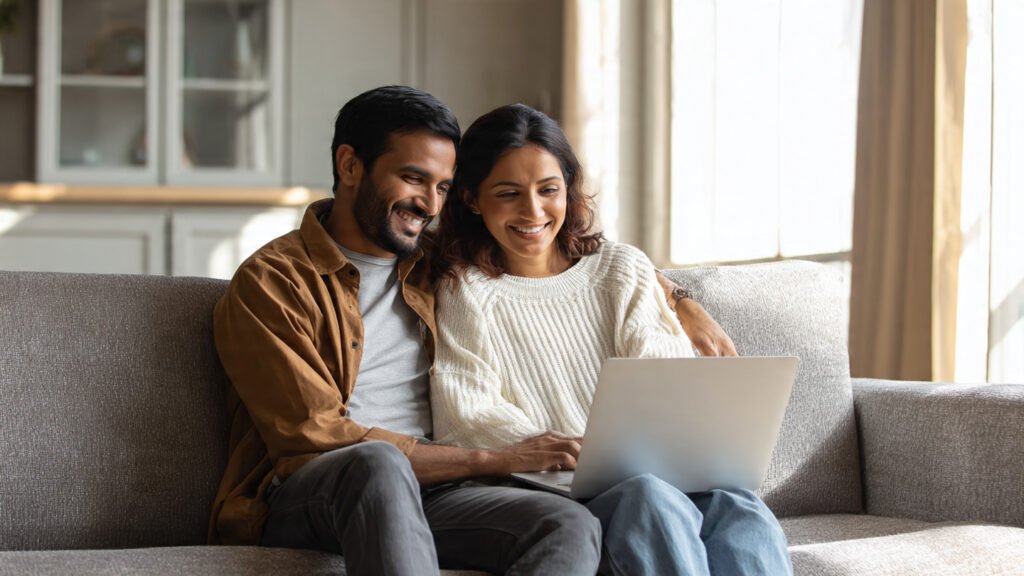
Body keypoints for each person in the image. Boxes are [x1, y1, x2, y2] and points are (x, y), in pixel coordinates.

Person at [210, 86, 735, 576]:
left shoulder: (434, 260)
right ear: (349, 165)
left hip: (443, 489)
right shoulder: (272, 282)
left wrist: (682, 299)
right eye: (413, 179)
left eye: (442, 187)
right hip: (314, 492)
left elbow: (583, 261)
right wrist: (493, 459)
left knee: (569, 523)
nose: (430, 204)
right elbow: (313, 438)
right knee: (378, 463)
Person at [431, 103, 791, 576]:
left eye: (548, 190)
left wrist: (681, 302)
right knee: (650, 498)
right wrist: (565, 450)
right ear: (472, 199)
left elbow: (666, 374)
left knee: (740, 505)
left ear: (568, 188)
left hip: (656, 470)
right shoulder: (465, 289)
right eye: (508, 193)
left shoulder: (621, 268)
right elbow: (467, 413)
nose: (533, 211)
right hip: (555, 487)